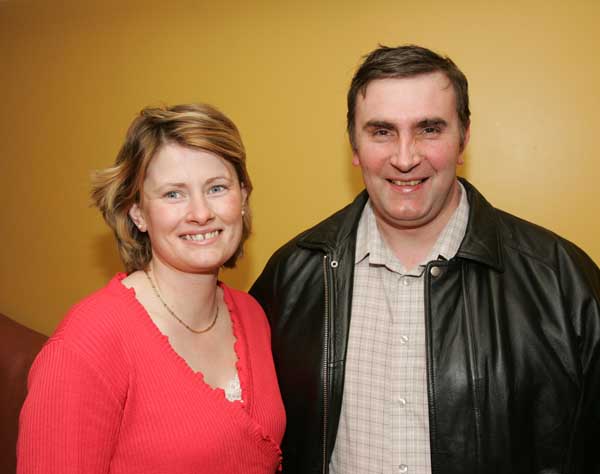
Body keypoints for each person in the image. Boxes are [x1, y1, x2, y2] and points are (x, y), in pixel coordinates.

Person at [250, 45, 600, 474]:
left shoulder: (562, 282)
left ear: (464, 137)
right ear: (354, 145)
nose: (404, 157)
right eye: (381, 131)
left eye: (429, 129)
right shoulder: (290, 278)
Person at [18, 103, 285, 473]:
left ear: (242, 197)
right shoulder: (87, 345)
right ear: (137, 212)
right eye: (173, 194)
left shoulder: (253, 314)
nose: (201, 212)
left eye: (217, 188)